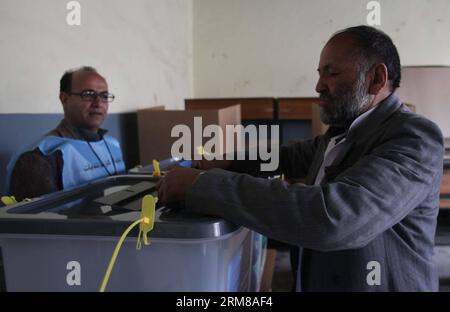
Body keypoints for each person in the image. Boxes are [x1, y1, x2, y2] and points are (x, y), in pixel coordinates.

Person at [156, 26, 444, 291]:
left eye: (331, 73)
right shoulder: (343, 133)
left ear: (376, 79)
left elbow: (335, 218)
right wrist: (226, 162)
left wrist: (202, 186)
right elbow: (288, 156)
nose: (318, 86)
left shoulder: (414, 137)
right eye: (320, 73)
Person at [6, 66, 125, 200]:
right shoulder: (40, 157)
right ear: (64, 99)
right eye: (88, 94)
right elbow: (39, 220)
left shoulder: (112, 144)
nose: (98, 103)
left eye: (104, 96)